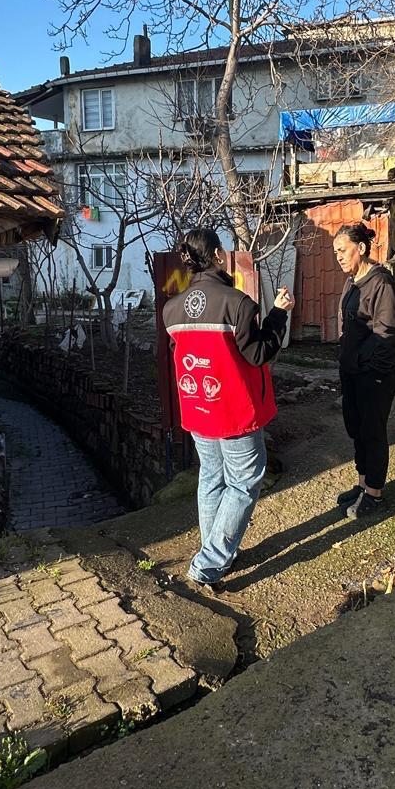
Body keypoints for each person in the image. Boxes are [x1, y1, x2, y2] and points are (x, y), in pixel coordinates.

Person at [163, 227, 295, 588]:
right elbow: (258, 353)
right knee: (243, 481)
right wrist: (279, 314)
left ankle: (215, 550)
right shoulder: (237, 303)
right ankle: (208, 563)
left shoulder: (172, 310)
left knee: (211, 479)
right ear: (219, 256)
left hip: (198, 409)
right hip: (234, 412)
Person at [333, 221, 395, 520]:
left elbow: (386, 335)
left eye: (342, 251)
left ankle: (374, 492)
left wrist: (370, 371)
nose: (338, 257)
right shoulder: (352, 281)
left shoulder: (381, 284)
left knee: (373, 430)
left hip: (375, 373)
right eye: (335, 252)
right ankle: (362, 483)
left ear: (360, 249)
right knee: (357, 428)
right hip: (353, 370)